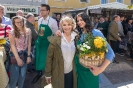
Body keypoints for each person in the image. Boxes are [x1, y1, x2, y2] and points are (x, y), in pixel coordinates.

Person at [56, 13, 115, 88]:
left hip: (90, 71)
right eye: (78, 21)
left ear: (87, 20)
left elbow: (110, 53)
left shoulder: (96, 33)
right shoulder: (77, 33)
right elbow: (66, 32)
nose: (79, 22)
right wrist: (58, 32)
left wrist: (101, 69)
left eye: (81, 20)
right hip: (78, 70)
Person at [41, 16, 77, 88]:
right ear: (61, 26)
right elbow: (49, 57)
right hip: (57, 71)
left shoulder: (76, 37)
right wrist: (48, 74)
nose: (67, 27)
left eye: (69, 24)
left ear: (72, 25)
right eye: (64, 25)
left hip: (71, 71)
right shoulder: (56, 38)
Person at [32, 4, 58, 84]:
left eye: (43, 10)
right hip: (40, 43)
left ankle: (47, 76)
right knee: (38, 59)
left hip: (47, 44)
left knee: (47, 60)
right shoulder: (40, 20)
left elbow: (55, 34)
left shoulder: (53, 22)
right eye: (41, 10)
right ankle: (39, 74)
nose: (41, 12)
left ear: (48, 11)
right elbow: (41, 32)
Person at [9, 16, 31, 88]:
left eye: (21, 22)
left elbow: (29, 43)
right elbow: (13, 45)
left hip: (24, 54)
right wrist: (18, 58)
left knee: (22, 76)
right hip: (14, 55)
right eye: (17, 22)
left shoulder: (28, 31)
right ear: (14, 23)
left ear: (23, 22)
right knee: (14, 78)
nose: (19, 24)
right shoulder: (12, 32)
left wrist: (28, 56)